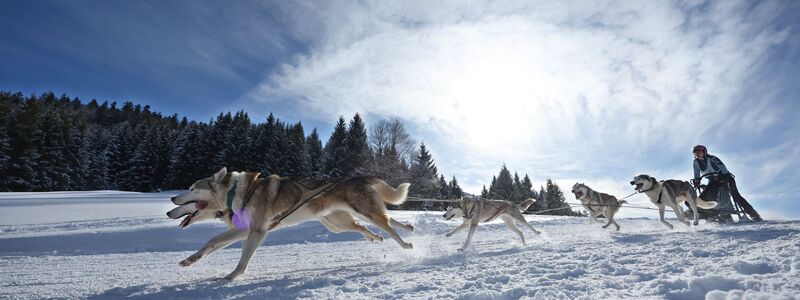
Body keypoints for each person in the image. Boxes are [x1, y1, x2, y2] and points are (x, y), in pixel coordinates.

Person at [692, 145, 762, 221]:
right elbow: (696, 173)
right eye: (695, 153)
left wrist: (725, 176)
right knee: (709, 194)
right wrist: (697, 181)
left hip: (726, 178)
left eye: (699, 152)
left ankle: (754, 215)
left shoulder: (712, 159)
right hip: (713, 180)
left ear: (704, 152)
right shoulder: (696, 162)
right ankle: (710, 213)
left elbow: (722, 167)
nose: (697, 154)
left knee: (736, 196)